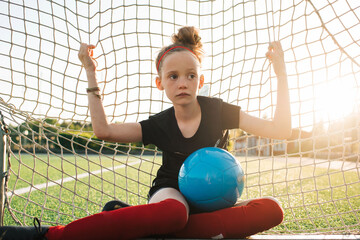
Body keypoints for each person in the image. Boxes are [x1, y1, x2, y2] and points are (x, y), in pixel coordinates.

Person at [0, 26, 291, 240]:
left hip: (217, 199)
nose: (183, 83)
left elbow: (281, 129)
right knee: (175, 215)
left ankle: (141, 227)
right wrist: (90, 73)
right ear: (160, 83)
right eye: (173, 76)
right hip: (172, 196)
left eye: (191, 75)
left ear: (200, 80)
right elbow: (103, 131)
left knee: (272, 209)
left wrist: (281, 75)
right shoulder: (160, 124)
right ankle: (54, 235)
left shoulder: (218, 110)